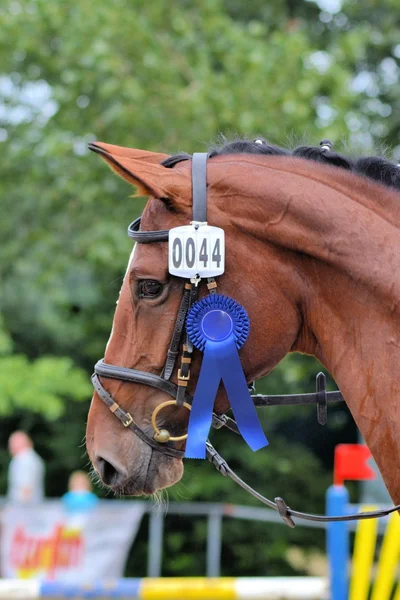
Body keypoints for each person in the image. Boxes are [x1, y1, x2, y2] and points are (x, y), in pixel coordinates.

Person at [7, 431, 45, 503]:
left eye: (12, 443)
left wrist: (19, 509)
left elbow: (26, 488)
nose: (9, 446)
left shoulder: (23, 459)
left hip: (23, 508)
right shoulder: (33, 458)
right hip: (32, 507)